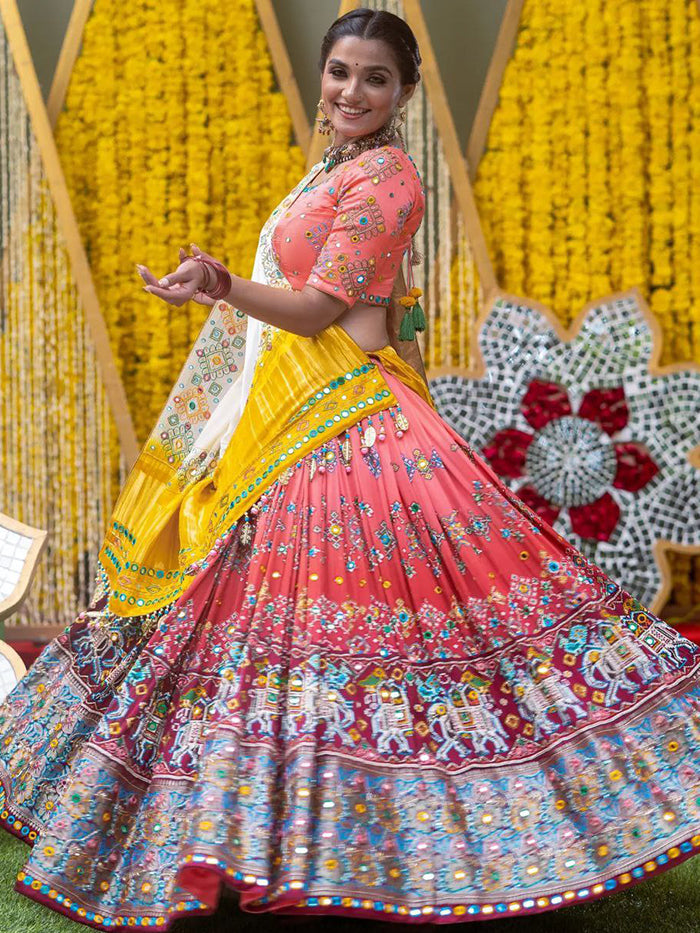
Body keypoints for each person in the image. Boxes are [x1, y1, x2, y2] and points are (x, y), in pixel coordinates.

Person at [1, 7, 700, 930]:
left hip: (352, 430)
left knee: (380, 645)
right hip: (300, 424)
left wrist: (220, 285)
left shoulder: (388, 182)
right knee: (267, 633)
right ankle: (254, 839)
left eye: (375, 78)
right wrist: (214, 288)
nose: (350, 92)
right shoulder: (335, 168)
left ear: (405, 92)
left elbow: (315, 311)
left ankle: (400, 843)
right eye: (339, 72)